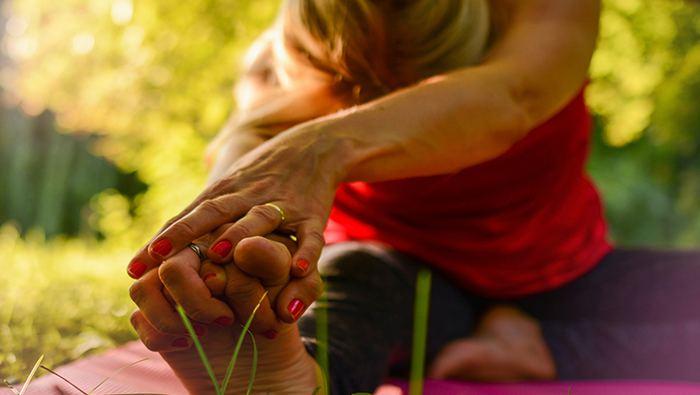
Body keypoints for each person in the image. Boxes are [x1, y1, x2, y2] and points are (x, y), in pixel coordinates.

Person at [125, 0, 700, 394]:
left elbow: (512, 98)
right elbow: (245, 154)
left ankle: (545, 347)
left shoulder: (545, 14)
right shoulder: (277, 61)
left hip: (566, 276)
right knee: (351, 293)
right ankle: (291, 376)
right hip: (397, 272)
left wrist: (319, 145)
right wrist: (221, 255)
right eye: (358, 87)